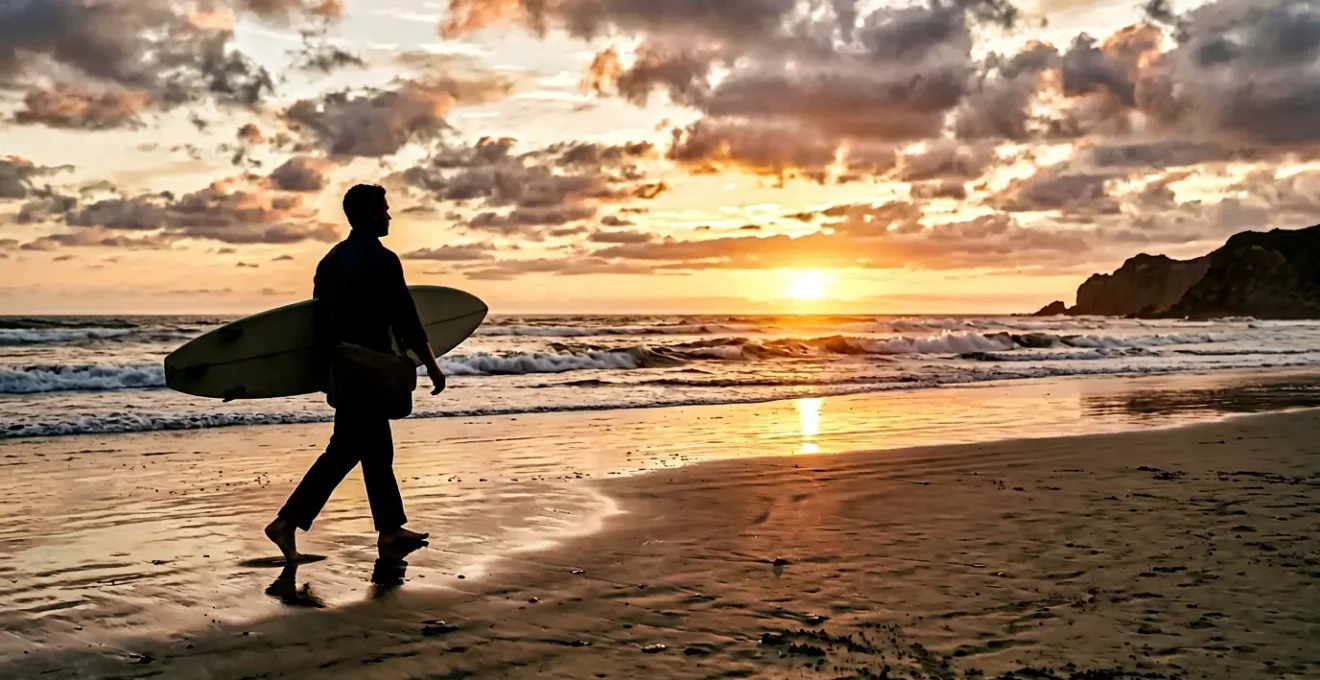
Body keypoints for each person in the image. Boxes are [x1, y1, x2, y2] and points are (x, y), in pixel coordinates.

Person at [265, 184, 445, 563]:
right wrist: (431, 365)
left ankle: (389, 532)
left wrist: (320, 372)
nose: (389, 215)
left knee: (368, 451)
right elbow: (406, 319)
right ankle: (288, 522)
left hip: (343, 370)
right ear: (368, 214)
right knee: (350, 451)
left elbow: (318, 322)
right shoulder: (383, 260)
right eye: (384, 209)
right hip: (371, 371)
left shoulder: (329, 262)